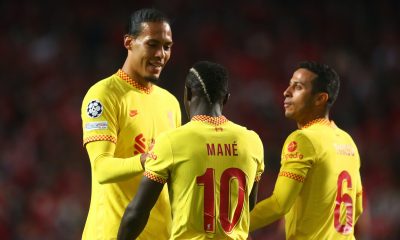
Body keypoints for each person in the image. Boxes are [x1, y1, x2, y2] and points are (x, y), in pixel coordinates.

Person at [117, 61, 265, 240]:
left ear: (187, 93)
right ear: (226, 98)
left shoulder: (172, 141)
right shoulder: (252, 141)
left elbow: (137, 213)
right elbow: (249, 205)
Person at [80, 8, 181, 240]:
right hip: (112, 233)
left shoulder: (170, 103)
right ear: (129, 42)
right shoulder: (104, 95)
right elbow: (101, 168)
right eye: (152, 44)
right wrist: (145, 159)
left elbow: (173, 180)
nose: (161, 54)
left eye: (167, 46)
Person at [250, 61, 363, 239]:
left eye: (298, 87)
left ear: (320, 99)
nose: (286, 92)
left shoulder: (303, 139)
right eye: (289, 85)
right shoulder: (348, 142)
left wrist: (235, 226)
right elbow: (357, 208)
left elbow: (280, 204)